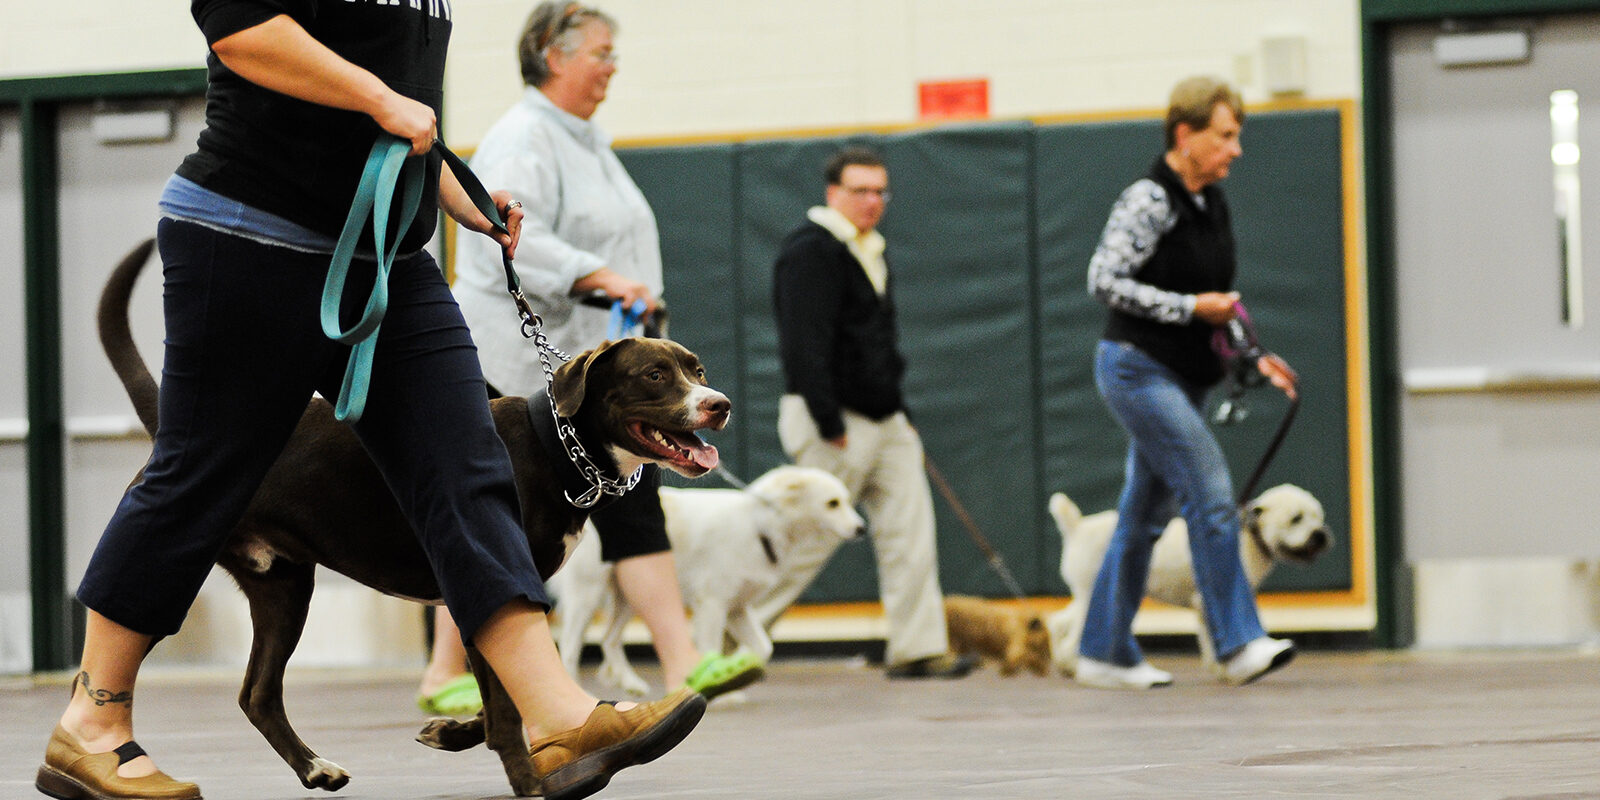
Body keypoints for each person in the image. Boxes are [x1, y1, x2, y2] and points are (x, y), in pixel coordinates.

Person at [35, 4, 704, 800]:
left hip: (389, 255)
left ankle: (557, 717)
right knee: (198, 478)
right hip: (249, 239)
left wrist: (462, 193)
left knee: (470, 466)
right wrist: (378, 99)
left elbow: (405, 101)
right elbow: (242, 28)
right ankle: (93, 724)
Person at [448, 2, 762, 702]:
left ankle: (683, 662)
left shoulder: (587, 141)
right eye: (601, 53)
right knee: (492, 511)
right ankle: (453, 671)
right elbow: (506, 235)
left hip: (598, 366)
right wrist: (599, 276)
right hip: (521, 364)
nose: (612, 67)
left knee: (622, 497)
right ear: (553, 56)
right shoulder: (522, 136)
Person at [1075, 76, 1299, 690]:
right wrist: (1187, 307)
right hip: (1136, 367)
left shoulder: (1210, 201)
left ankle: (1103, 652)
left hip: (1186, 374)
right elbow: (1104, 279)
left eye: (1237, 137)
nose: (1236, 149)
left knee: (1143, 518)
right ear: (1185, 135)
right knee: (1209, 488)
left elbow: (1216, 305)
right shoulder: (1150, 198)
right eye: (1224, 136)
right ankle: (1238, 643)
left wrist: (1255, 358)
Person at [757, 146, 978, 680]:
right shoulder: (810, 251)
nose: (872, 201)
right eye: (861, 190)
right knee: (806, 541)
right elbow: (803, 345)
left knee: (910, 532)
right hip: (834, 424)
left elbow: (876, 342)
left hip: (885, 421)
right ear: (834, 193)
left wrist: (897, 413)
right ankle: (728, 641)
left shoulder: (869, 249)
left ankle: (918, 647)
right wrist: (830, 423)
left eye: (880, 191)